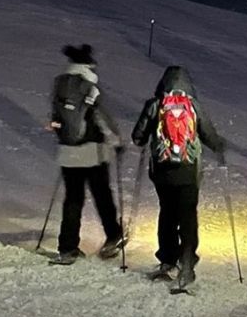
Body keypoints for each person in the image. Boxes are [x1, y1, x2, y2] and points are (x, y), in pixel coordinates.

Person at [132, 66, 226, 289]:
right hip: (189, 171)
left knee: (167, 213)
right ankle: (187, 261)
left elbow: (138, 137)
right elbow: (209, 135)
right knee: (187, 216)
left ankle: (167, 259)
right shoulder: (193, 106)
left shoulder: (155, 105)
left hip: (163, 172)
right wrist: (219, 147)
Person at [49, 44, 124, 264]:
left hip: (67, 151)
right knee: (102, 195)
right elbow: (100, 115)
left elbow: (57, 116)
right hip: (92, 151)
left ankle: (67, 247)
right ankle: (114, 235)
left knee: (73, 198)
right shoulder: (88, 85)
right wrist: (116, 139)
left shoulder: (60, 84)